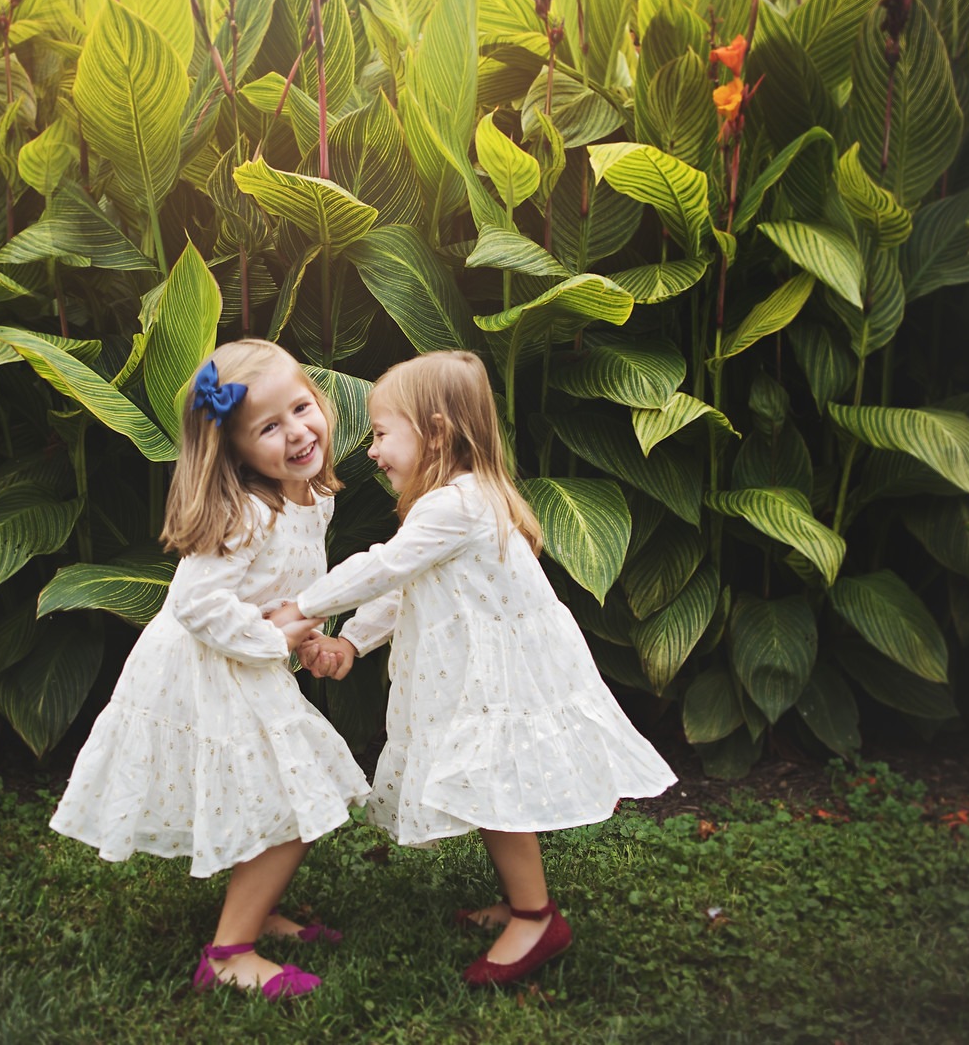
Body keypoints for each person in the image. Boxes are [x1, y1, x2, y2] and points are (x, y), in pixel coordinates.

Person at [269, 350, 677, 987]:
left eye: (381, 434)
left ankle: (538, 918)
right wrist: (351, 643)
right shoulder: (455, 500)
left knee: (498, 793)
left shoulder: (453, 506)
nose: (372, 452)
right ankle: (522, 903)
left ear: (434, 432)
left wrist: (302, 607)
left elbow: (383, 566)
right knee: (491, 788)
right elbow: (405, 589)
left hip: (500, 680)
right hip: (482, 676)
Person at [49, 340, 368, 1000]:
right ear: (235, 451)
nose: (299, 431)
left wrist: (304, 635)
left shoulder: (313, 497)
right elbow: (195, 603)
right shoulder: (244, 514)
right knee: (295, 800)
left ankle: (257, 912)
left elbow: (289, 591)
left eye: (302, 407)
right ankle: (227, 951)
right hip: (203, 668)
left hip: (245, 661)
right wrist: (271, 636)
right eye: (270, 427)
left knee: (279, 799)